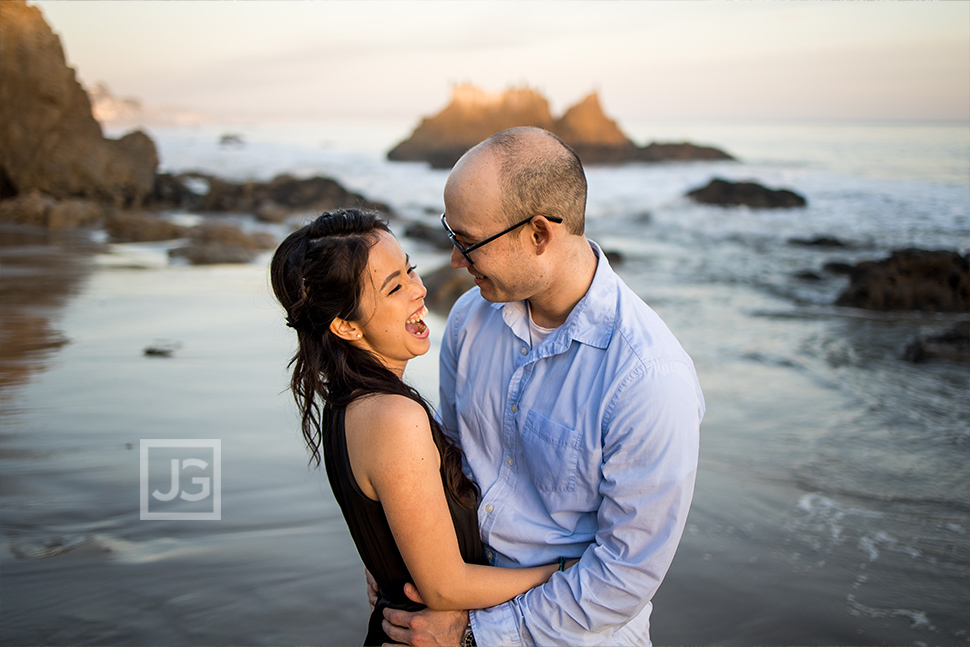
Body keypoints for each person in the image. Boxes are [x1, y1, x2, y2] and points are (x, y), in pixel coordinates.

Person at [379, 127, 705, 646]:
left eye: (468, 242)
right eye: (451, 234)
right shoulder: (469, 318)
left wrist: (473, 634)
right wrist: (404, 560)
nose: (456, 261)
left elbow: (625, 576)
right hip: (458, 598)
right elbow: (454, 467)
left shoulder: (648, 378)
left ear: (539, 234)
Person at [270, 209, 572, 647]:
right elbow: (444, 588)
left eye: (409, 269)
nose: (419, 289)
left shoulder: (346, 403)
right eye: (394, 287)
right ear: (346, 325)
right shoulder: (395, 418)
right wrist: (562, 570)